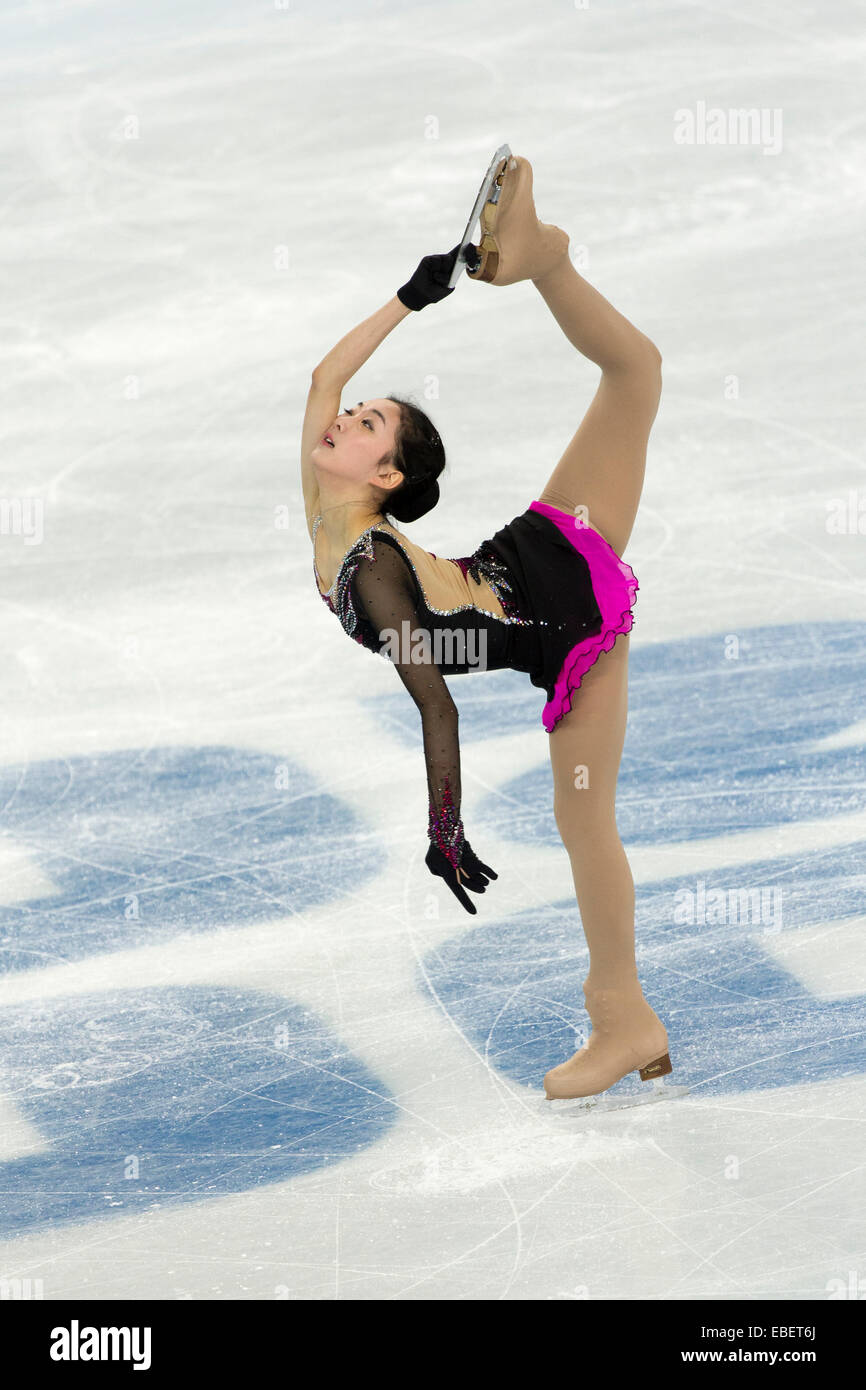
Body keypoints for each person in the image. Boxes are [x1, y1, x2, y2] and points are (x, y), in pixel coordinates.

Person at [300, 154, 670, 1102]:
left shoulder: (369, 557)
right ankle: (544, 260)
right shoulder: (332, 503)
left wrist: (444, 827)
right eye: (356, 415)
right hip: (530, 585)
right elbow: (322, 373)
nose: (342, 415)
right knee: (634, 375)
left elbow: (435, 702)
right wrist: (409, 296)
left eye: (365, 420)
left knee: (635, 374)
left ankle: (622, 1018)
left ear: (382, 476)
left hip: (552, 603)